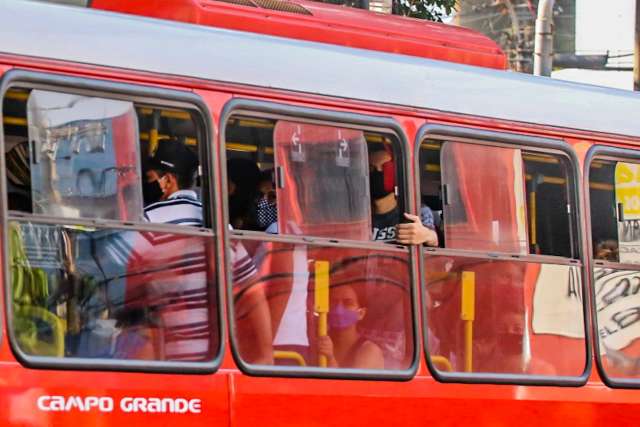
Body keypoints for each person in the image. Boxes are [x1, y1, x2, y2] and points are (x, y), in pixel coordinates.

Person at [368, 144, 438, 246]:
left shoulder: (415, 211)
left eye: (384, 168)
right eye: (371, 168)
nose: (377, 173)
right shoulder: (360, 216)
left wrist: (426, 235)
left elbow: (434, 239)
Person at [317, 284, 384, 369]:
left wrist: (330, 359)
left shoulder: (370, 351)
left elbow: (354, 382)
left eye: (348, 303)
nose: (338, 309)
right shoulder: (321, 342)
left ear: (361, 313)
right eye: (334, 302)